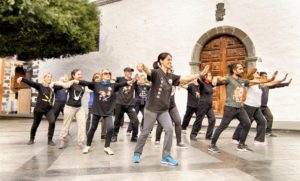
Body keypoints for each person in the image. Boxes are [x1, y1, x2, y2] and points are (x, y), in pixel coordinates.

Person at [132, 52, 209, 166]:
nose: (170, 61)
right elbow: (148, 71)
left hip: (163, 110)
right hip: (151, 109)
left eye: (171, 60)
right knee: (145, 132)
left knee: (169, 129)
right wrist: (141, 66)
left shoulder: (171, 77)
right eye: (168, 59)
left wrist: (199, 74)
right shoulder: (156, 73)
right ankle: (137, 153)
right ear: (161, 61)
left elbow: (185, 79)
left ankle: (166, 156)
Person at [208, 64, 276, 153]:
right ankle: (212, 145)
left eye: (242, 68)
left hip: (240, 108)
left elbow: (256, 81)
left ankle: (241, 144)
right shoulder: (228, 79)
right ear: (234, 70)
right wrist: (215, 78)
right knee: (223, 126)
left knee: (247, 123)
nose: (242, 70)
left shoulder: (242, 81)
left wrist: (270, 79)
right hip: (230, 107)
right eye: (240, 69)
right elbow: (217, 80)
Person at [79, 69, 133, 155]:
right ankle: (88, 146)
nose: (108, 74)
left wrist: (129, 82)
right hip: (96, 110)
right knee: (93, 128)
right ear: (101, 75)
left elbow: (122, 84)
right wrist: (77, 80)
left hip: (107, 111)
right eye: (105, 73)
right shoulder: (96, 84)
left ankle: (107, 147)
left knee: (111, 128)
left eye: (109, 73)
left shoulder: (113, 85)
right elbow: (86, 83)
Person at [17, 73, 75, 146]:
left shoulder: (53, 87)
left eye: (50, 77)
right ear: (44, 78)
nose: (50, 78)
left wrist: (69, 81)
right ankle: (31, 139)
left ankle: (50, 140)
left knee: (52, 122)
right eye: (48, 77)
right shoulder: (40, 86)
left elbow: (64, 85)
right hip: (39, 109)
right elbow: (31, 83)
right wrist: (22, 79)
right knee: (35, 124)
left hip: (49, 109)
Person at [232, 71, 287, 145]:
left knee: (262, 121)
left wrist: (282, 80)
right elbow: (249, 76)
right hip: (249, 106)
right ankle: (235, 138)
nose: (259, 78)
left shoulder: (260, 85)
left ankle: (259, 140)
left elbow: (271, 83)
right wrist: (253, 71)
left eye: (259, 77)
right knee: (245, 122)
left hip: (257, 107)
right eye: (257, 77)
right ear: (253, 78)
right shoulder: (250, 83)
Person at [58, 69, 87, 150]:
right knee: (66, 124)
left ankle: (81, 142)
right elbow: (64, 85)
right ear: (74, 76)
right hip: (70, 107)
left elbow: (88, 88)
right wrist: (61, 81)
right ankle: (62, 140)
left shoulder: (82, 83)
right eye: (78, 74)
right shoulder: (71, 83)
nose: (80, 75)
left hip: (79, 107)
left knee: (82, 124)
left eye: (81, 74)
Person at [259, 72, 292, 137]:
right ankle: (241, 131)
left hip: (264, 106)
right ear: (260, 77)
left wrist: (286, 84)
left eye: (266, 76)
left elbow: (276, 85)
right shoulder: (258, 85)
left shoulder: (267, 85)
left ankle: (268, 132)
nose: (265, 77)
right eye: (264, 76)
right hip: (257, 106)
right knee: (250, 119)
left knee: (270, 117)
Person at [112, 67, 139, 142]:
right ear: (125, 72)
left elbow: (138, 88)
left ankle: (134, 136)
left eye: (131, 72)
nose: (130, 73)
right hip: (120, 103)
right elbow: (113, 80)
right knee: (117, 121)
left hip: (130, 105)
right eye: (129, 71)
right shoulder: (120, 79)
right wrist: (112, 78)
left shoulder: (133, 81)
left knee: (135, 120)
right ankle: (114, 135)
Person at [190, 72, 218, 141]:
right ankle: (193, 134)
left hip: (209, 106)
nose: (210, 76)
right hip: (202, 105)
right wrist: (201, 73)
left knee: (213, 119)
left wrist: (216, 78)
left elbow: (218, 82)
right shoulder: (202, 84)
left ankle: (208, 136)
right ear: (205, 77)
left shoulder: (210, 84)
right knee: (199, 120)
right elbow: (198, 79)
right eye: (209, 75)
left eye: (211, 75)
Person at [86, 73, 107, 139]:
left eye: (99, 77)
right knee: (90, 119)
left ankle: (103, 134)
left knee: (104, 119)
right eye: (96, 77)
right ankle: (88, 133)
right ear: (94, 78)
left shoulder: (103, 85)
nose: (97, 79)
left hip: (102, 105)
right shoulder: (90, 85)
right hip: (92, 104)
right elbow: (86, 90)